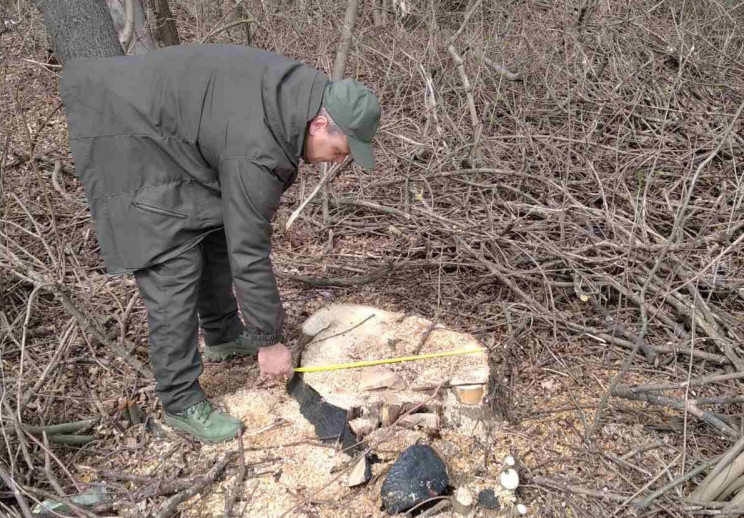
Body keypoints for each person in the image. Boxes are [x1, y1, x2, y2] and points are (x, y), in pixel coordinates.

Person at [60, 44, 381, 443]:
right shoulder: (260, 146)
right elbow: (249, 249)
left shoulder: (294, 95)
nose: (335, 161)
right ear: (319, 124)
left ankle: (223, 333)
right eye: (338, 151)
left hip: (170, 134)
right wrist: (269, 341)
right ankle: (179, 399)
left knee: (214, 226)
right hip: (127, 135)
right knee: (172, 264)